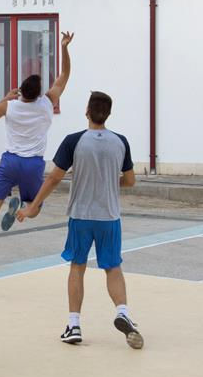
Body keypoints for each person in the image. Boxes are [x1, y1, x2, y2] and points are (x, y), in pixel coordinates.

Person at [17, 91, 143, 349]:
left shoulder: (74, 141)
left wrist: (33, 206)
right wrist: (109, 182)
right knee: (113, 267)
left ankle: (74, 325)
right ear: (108, 114)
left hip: (81, 216)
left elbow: (54, 178)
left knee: (77, 267)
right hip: (109, 217)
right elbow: (130, 181)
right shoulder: (121, 142)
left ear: (87, 111)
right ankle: (122, 312)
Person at [0, 31, 74, 273]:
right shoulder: (47, 103)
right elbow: (64, 75)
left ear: (21, 90)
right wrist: (64, 47)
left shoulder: (9, 106)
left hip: (10, 162)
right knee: (35, 209)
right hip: (32, 164)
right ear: (39, 93)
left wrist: (5, 98)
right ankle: (23, 206)